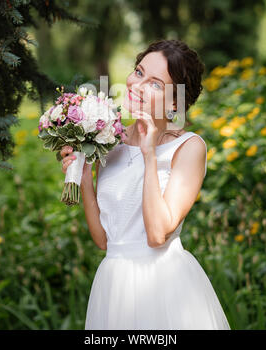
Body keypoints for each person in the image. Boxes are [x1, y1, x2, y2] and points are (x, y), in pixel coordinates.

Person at [60, 39, 231, 330]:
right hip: (113, 286)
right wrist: (84, 172)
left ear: (175, 101)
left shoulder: (189, 148)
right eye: (138, 72)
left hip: (164, 285)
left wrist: (149, 154)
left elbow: (156, 235)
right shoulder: (108, 140)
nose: (136, 85)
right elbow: (104, 239)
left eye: (154, 84)